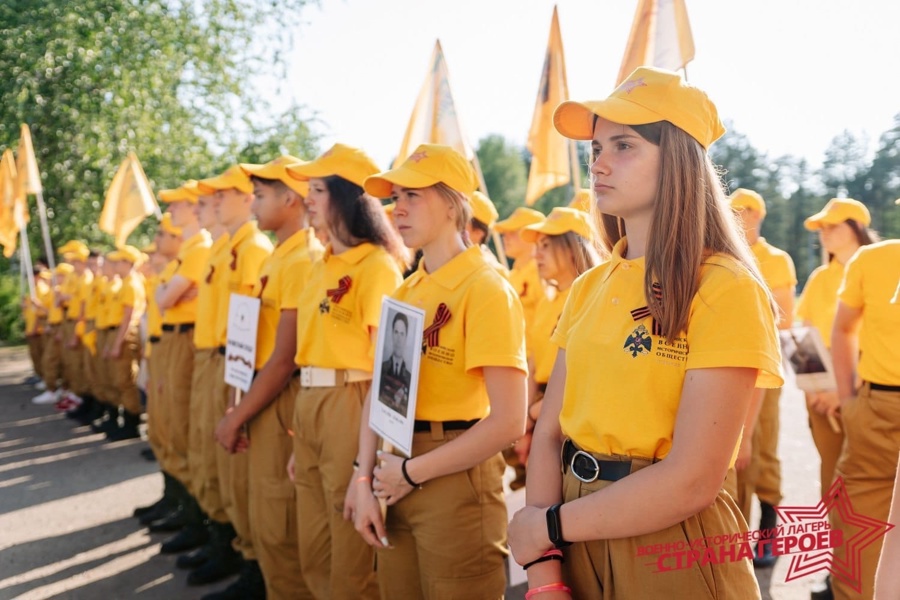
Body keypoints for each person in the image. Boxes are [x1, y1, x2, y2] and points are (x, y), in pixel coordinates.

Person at [507, 66, 783, 599]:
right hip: (571, 537)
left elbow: (692, 480)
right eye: (595, 149)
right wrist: (543, 576)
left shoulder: (725, 288)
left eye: (624, 145)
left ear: (678, 161)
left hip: (670, 548)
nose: (599, 163)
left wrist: (550, 527)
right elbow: (548, 433)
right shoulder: (588, 286)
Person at [349, 143, 527, 599]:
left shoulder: (486, 289)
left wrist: (412, 473)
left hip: (454, 475)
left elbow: (509, 421)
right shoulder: (409, 290)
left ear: (452, 203)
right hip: (396, 466)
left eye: (412, 195)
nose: (397, 208)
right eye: (394, 198)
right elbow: (381, 391)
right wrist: (363, 477)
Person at [284, 143, 407, 600]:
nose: (308, 200)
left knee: (350, 561)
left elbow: (385, 373)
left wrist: (364, 460)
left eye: (318, 190)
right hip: (311, 405)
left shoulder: (377, 267)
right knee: (313, 551)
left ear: (347, 197)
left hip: (351, 404)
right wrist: (304, 437)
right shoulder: (320, 264)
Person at [213, 155, 324, 599]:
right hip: (262, 390)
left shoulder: (301, 259)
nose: (252, 204)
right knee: (264, 507)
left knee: (280, 518)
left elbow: (283, 359)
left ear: (291, 200)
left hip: (280, 397)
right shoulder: (281, 256)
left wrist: (239, 413)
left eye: (260, 196)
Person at [195, 164, 273, 598]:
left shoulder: (254, 249)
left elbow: (250, 324)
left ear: (247, 199)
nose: (216, 201)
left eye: (225, 194)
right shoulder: (229, 247)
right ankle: (228, 544)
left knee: (241, 474)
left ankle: (250, 563)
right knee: (220, 466)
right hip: (222, 358)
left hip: (240, 365)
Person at [830, 232, 900, 600]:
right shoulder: (872, 259)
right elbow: (842, 328)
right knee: (858, 527)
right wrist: (849, 399)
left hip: (875, 404)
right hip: (877, 409)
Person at [730, 187, 797, 568]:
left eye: (745, 211)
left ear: (759, 215)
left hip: (763, 366)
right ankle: (735, 536)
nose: (739, 217)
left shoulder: (775, 259)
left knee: (762, 450)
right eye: (733, 211)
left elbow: (784, 317)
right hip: (728, 363)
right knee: (730, 451)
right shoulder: (724, 250)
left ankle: (768, 533)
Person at [796, 198, 877, 496]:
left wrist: (844, 390)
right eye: (820, 228)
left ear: (857, 227)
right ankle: (837, 543)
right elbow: (804, 336)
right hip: (821, 390)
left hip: (868, 384)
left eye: (832, 225)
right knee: (832, 477)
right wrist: (816, 389)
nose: (824, 233)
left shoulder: (879, 271)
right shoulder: (819, 279)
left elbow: (883, 340)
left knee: (868, 481)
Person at [516, 207, 600, 471]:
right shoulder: (547, 303)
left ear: (573, 248)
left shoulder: (592, 298)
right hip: (542, 409)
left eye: (546, 246)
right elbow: (533, 364)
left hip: (569, 415)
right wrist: (527, 418)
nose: (536, 254)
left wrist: (532, 416)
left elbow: (583, 376)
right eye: (537, 246)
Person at [103, 245, 147, 440]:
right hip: (118, 332)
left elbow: (128, 318)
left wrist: (117, 343)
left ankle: (132, 423)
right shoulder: (126, 282)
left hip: (125, 334)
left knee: (125, 380)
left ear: (128, 263)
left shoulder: (131, 284)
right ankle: (127, 421)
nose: (115, 265)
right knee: (119, 379)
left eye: (118, 261)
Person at [377, 311, 412, 417]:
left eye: (402, 334)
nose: (398, 339)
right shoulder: (381, 368)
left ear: (406, 337)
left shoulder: (410, 378)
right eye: (396, 332)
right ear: (392, 334)